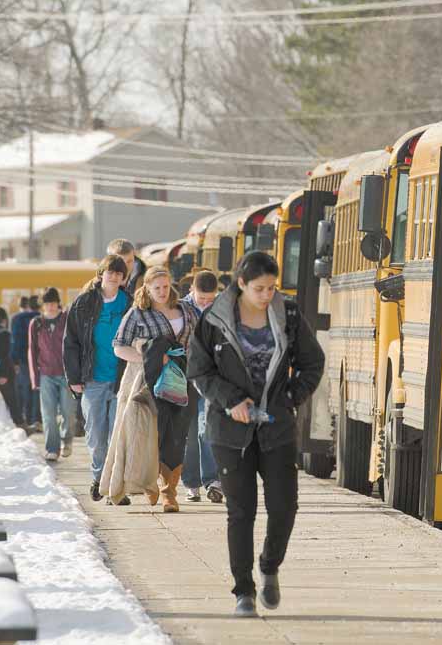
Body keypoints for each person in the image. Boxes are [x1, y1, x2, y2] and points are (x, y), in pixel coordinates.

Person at [189, 251, 325, 617]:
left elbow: (313, 361)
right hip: (229, 431)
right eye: (260, 289)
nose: (267, 295)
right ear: (242, 284)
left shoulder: (289, 315)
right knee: (241, 511)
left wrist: (292, 398)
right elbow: (199, 370)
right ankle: (243, 592)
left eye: (272, 288)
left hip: (276, 428)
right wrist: (230, 399)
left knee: (284, 506)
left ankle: (269, 564)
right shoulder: (214, 320)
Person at [110, 266, 199, 512]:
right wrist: (150, 358)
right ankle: (153, 485)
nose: (161, 291)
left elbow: (201, 340)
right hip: (151, 381)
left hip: (184, 379)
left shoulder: (186, 309)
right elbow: (119, 346)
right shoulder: (138, 313)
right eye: (156, 287)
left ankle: (170, 491)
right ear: (147, 288)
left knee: (179, 434)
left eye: (165, 286)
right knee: (154, 433)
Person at [64, 255, 132, 504]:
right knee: (96, 435)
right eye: (110, 272)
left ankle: (115, 489)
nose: (114, 276)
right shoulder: (83, 303)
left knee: (118, 435)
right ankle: (98, 477)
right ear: (101, 274)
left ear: (124, 278)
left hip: (121, 379)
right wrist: (73, 377)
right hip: (91, 379)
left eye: (119, 273)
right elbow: (70, 342)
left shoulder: (131, 304)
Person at [181, 270, 223, 503]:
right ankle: (191, 482)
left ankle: (212, 481)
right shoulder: (179, 309)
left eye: (210, 299)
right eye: (201, 299)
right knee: (188, 432)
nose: (206, 304)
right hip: (184, 378)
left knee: (205, 428)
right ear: (191, 291)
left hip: (210, 377)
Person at [29, 287, 75, 461]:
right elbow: (32, 350)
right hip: (46, 374)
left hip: (66, 373)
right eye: (47, 303)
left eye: (53, 303)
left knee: (68, 412)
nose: (50, 307)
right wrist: (35, 377)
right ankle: (52, 448)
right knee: (48, 414)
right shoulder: (37, 323)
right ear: (43, 305)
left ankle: (67, 440)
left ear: (58, 303)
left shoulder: (67, 319)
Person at [10, 296, 41, 431]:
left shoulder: (17, 319)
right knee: (38, 389)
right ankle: (37, 419)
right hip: (39, 359)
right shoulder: (42, 318)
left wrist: (14, 360)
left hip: (23, 359)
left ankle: (27, 418)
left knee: (25, 389)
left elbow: (15, 341)